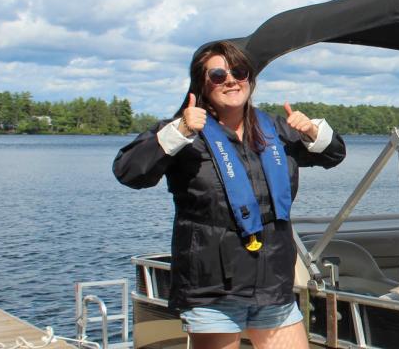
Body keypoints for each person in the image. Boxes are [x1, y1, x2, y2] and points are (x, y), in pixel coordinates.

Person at [114, 41, 345, 348]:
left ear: (250, 77)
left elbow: (334, 155)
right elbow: (129, 172)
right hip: (212, 286)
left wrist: (314, 132)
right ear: (201, 83)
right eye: (218, 74)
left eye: (239, 71)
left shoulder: (274, 129)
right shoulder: (185, 132)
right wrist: (180, 131)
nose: (231, 80)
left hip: (272, 280)